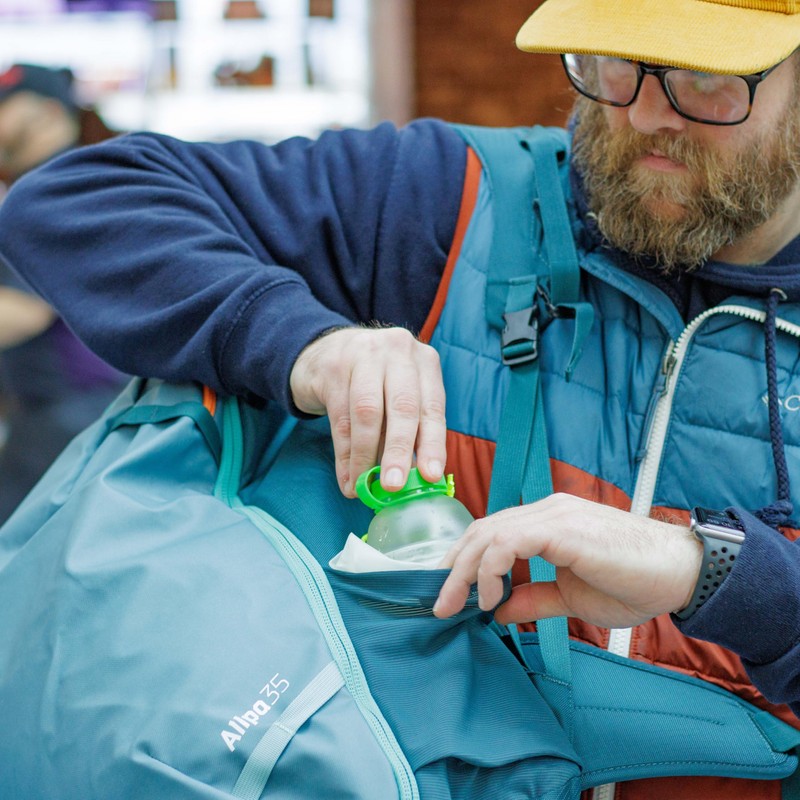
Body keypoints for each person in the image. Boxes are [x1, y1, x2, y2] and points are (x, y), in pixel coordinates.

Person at [0, 2, 798, 797]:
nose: (648, 113)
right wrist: (304, 343)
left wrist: (717, 573)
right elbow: (79, 198)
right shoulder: (447, 200)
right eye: (613, 63)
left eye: (707, 79)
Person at [0, 63, 128, 524]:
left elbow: (21, 310)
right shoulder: (78, 177)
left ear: (51, 113)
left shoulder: (49, 189)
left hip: (72, 409)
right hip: (84, 405)